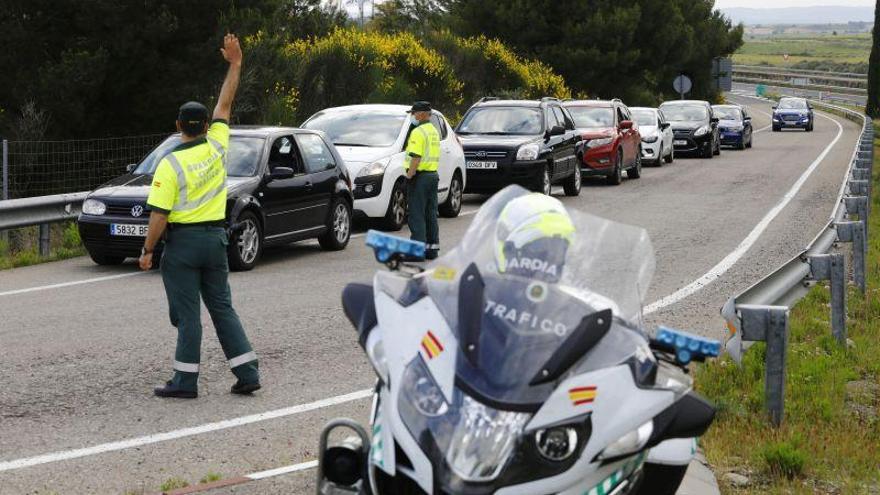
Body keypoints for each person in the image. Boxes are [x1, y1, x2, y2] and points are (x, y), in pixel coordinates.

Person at [139, 33, 260, 399]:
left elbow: (159, 216)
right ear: (206, 126)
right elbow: (225, 103)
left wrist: (147, 250)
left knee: (188, 315)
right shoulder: (218, 146)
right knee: (222, 307)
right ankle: (248, 372)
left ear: (178, 127)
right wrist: (236, 64)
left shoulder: (170, 164)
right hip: (215, 241)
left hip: (185, 245)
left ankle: (185, 381)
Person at [404, 101, 442, 260]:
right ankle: (431, 249)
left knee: (416, 214)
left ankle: (416, 252)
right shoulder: (433, 131)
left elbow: (416, 157)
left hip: (420, 177)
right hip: (432, 175)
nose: (412, 116)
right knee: (430, 213)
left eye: (413, 113)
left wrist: (409, 176)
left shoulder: (418, 132)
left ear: (421, 114)